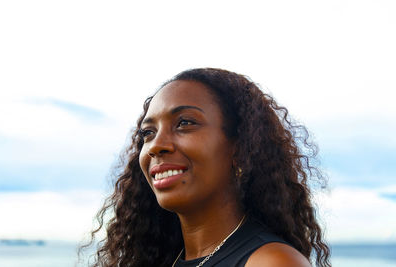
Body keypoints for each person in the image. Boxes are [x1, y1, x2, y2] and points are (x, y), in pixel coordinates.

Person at [83, 68, 330, 267]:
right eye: (148, 133)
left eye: (185, 123)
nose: (156, 145)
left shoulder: (271, 262)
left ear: (240, 147)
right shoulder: (162, 259)